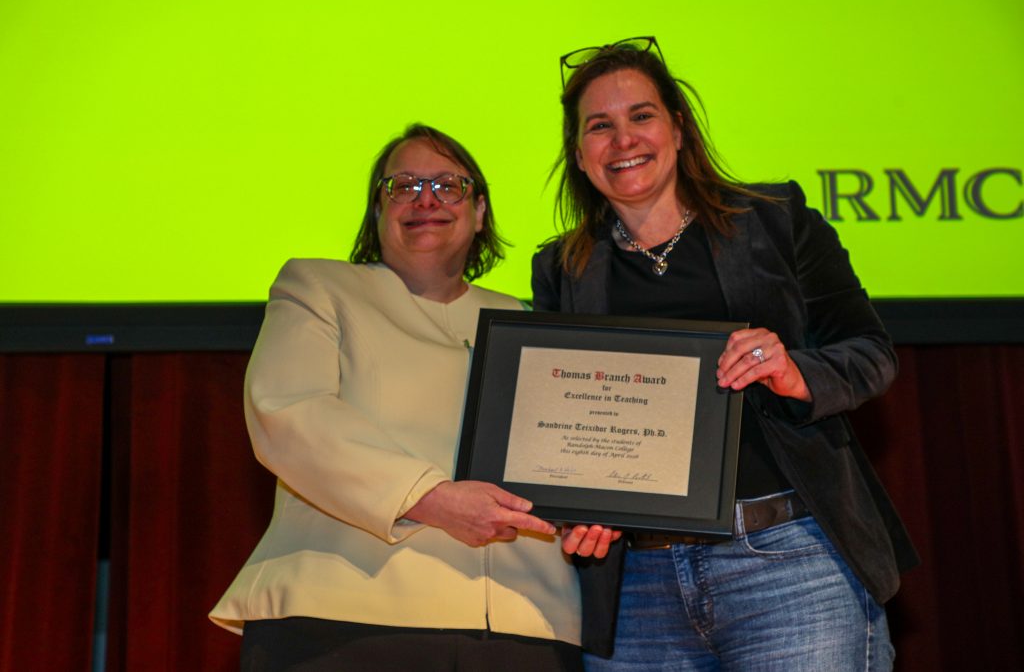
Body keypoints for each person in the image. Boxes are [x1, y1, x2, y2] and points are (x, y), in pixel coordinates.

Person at [532, 37, 919, 671]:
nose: (622, 139)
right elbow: (562, 430)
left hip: (788, 561)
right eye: (599, 126)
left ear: (679, 129)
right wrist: (575, 508)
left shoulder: (776, 219)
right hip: (636, 591)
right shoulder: (562, 268)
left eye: (641, 116)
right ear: (579, 154)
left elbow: (872, 353)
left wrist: (796, 371)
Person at [211, 124, 582, 671]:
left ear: (479, 212)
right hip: (345, 617)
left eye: (448, 186)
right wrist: (434, 500)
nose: (425, 199)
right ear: (377, 212)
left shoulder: (530, 322)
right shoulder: (317, 289)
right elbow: (290, 413)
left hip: (523, 623)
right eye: (403, 186)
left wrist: (592, 510)